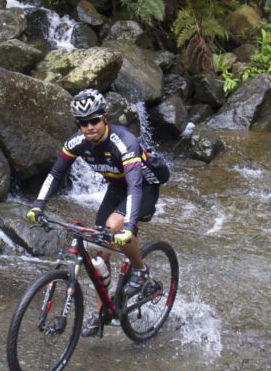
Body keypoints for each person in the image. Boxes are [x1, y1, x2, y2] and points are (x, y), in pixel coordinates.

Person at [26, 88, 169, 337]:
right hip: (117, 186)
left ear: (104, 117)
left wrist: (127, 226)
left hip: (143, 186)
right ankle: (103, 314)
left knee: (114, 227)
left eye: (94, 120)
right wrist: (39, 204)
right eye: (83, 123)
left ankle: (141, 271)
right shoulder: (77, 142)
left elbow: (135, 185)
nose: (89, 127)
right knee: (98, 254)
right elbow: (56, 173)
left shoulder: (124, 142)